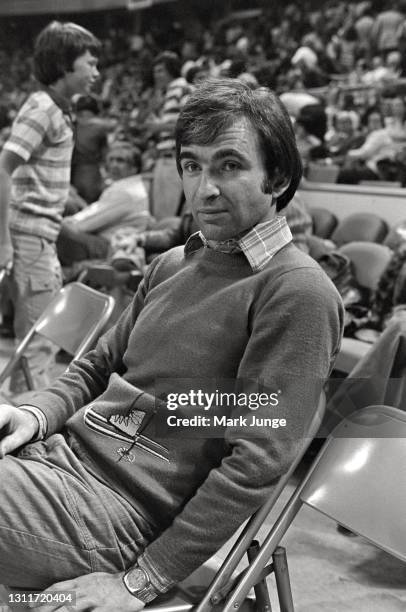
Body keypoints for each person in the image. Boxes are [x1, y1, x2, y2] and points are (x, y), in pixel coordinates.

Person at [0, 79, 343, 611]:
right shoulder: (171, 264)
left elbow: (254, 464)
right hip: (56, 459)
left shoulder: (296, 293)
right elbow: (96, 367)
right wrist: (36, 414)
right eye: (191, 164)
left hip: (115, 516)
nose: (204, 187)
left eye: (229, 165)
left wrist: (140, 582)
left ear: (277, 176)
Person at [0, 21, 100, 393]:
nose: (96, 72)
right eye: (89, 63)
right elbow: (3, 167)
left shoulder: (56, 109)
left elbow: (33, 168)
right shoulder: (44, 107)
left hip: (36, 234)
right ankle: (29, 436)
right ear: (64, 66)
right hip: (29, 237)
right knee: (37, 344)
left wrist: (66, 192)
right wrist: (5, 244)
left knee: (36, 343)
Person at [57, 140, 151, 270]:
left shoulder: (127, 191)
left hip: (109, 247)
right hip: (104, 238)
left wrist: (65, 222)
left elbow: (84, 225)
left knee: (55, 225)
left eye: (120, 161)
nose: (114, 165)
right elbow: (95, 210)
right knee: (68, 208)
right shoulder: (125, 185)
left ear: (134, 167)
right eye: (111, 160)